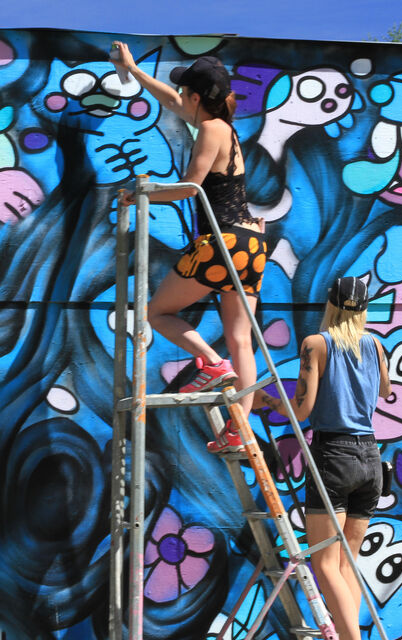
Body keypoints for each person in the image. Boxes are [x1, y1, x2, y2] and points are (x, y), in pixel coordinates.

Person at [110, 43, 266, 453]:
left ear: (196, 98)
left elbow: (189, 186)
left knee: (157, 313)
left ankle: (211, 363)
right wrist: (134, 71)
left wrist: (140, 195)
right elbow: (172, 101)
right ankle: (240, 430)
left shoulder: (210, 130)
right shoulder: (225, 128)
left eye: (185, 93)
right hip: (251, 242)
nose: (179, 98)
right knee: (241, 339)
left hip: (222, 240)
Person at [256, 276, 390, 640]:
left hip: (334, 455)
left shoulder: (316, 344)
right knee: (347, 564)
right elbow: (386, 389)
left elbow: (301, 410)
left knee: (325, 562)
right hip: (370, 457)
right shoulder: (375, 345)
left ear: (329, 304)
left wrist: (265, 400)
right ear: (364, 310)